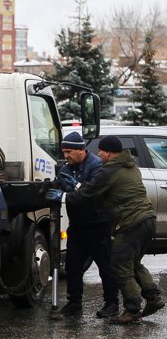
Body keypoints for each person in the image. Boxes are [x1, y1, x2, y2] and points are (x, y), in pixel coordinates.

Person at [62, 135, 165, 324]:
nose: (98, 154)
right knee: (133, 263)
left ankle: (132, 310)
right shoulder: (131, 166)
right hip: (147, 220)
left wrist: (66, 195)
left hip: (131, 223)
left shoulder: (110, 170)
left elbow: (88, 195)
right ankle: (153, 297)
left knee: (119, 265)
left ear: (109, 152)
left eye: (101, 150)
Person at [56, 131, 119, 318]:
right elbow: (61, 184)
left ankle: (112, 303)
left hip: (98, 224)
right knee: (72, 266)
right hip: (77, 225)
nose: (66, 156)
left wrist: (74, 188)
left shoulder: (97, 166)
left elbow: (90, 194)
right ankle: (74, 302)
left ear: (81, 150)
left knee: (105, 266)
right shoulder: (66, 169)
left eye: (69, 151)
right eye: (64, 152)